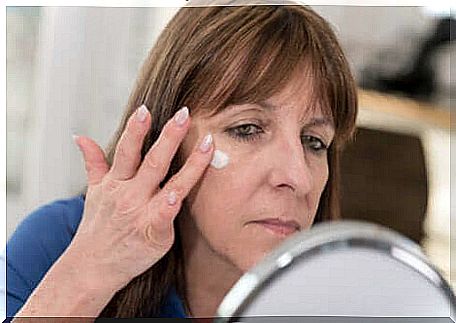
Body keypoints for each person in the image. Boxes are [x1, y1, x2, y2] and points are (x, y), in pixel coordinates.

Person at [4, 2, 358, 320]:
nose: (299, 177)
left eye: (314, 142)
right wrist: (88, 276)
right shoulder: (57, 244)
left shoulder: (346, 302)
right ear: (167, 137)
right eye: (247, 129)